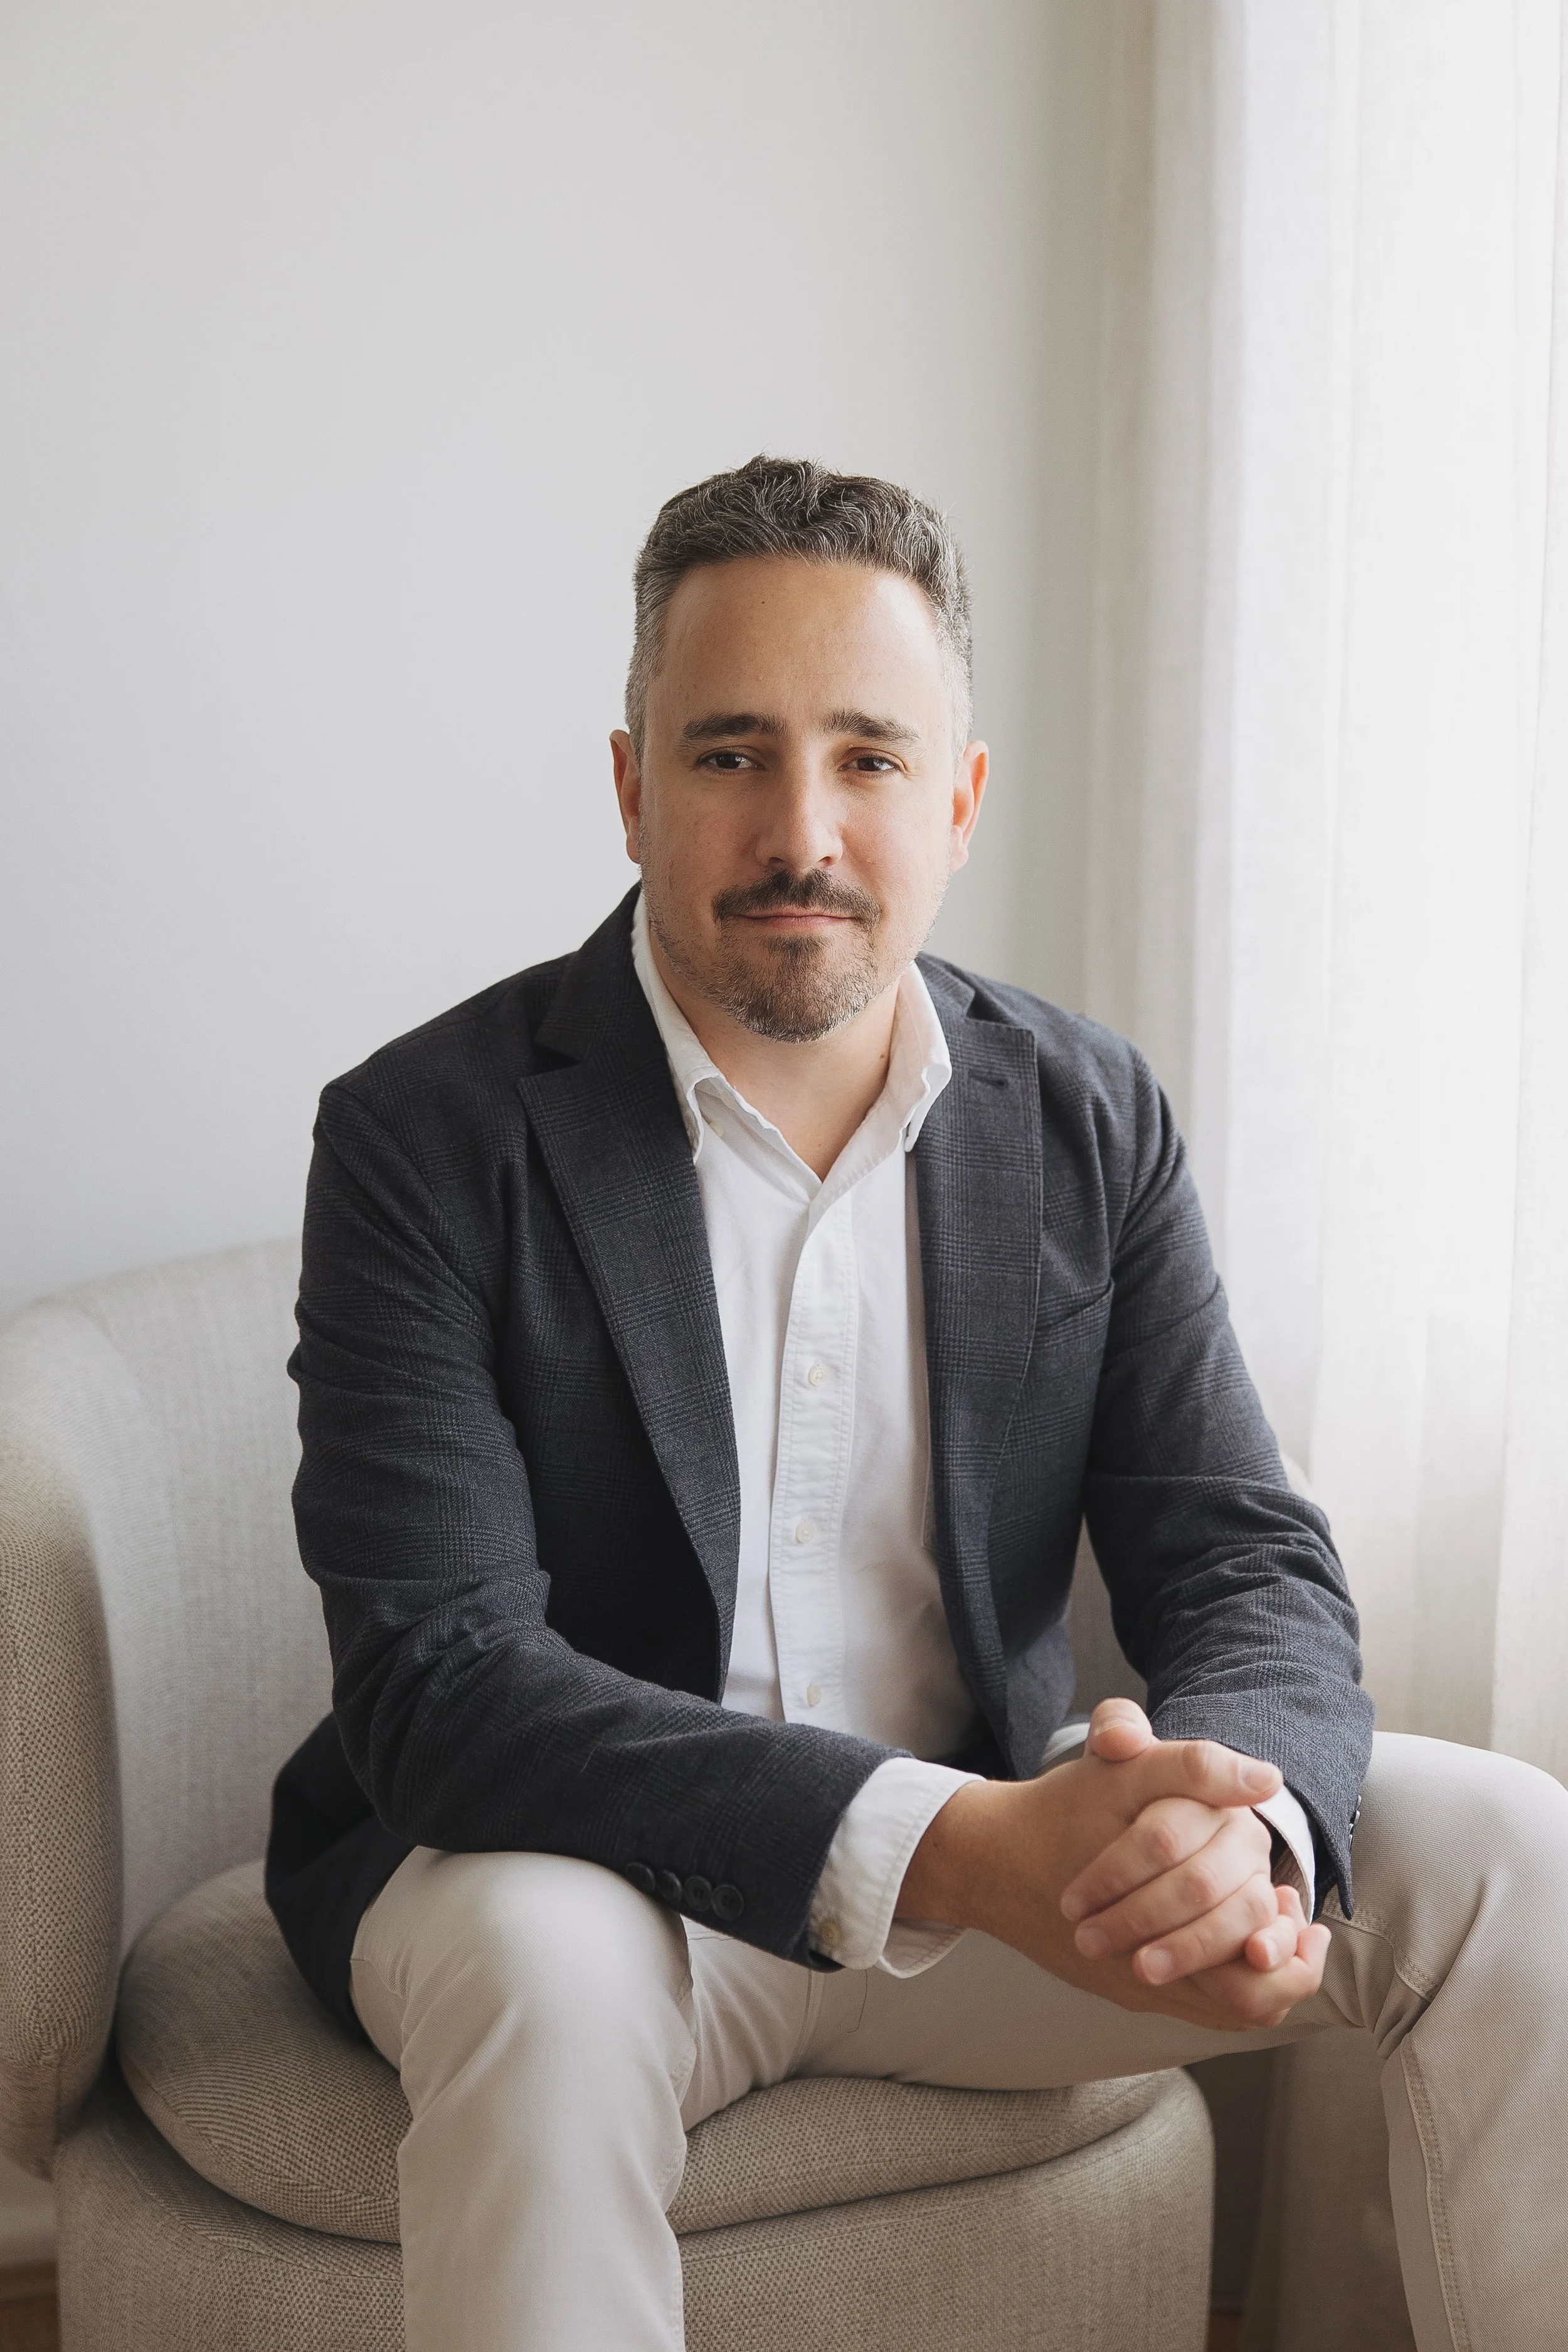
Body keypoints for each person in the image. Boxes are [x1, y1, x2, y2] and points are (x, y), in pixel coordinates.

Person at [267, 456, 1568, 2352]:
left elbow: (1241, 1551)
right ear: (630, 786)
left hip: (993, 1890)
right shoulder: (425, 1134)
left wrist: (1243, 1818)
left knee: (1507, 1849)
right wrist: (964, 1846)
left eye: (869, 757)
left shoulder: (1084, 1111)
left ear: (956, 800)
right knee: (541, 1974)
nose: (802, 827)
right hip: (581, 1875)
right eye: (728, 753)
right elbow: (439, 1677)